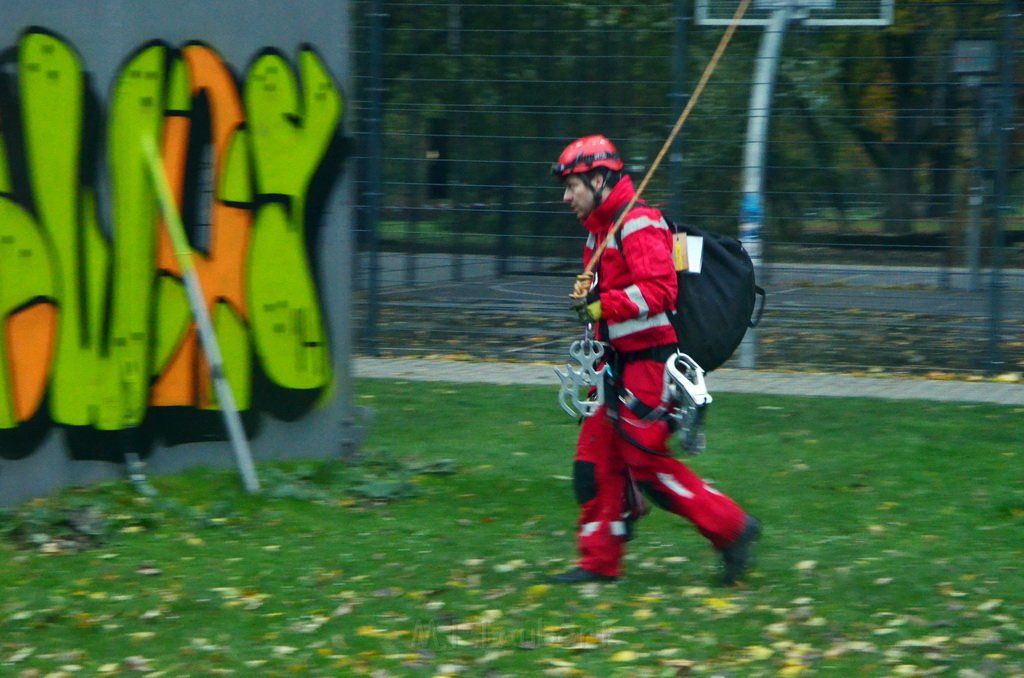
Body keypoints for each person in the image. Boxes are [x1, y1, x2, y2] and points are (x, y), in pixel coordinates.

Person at [549, 134, 761, 585]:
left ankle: (733, 529)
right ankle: (598, 562)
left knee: (644, 462)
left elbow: (660, 291)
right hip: (613, 363)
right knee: (592, 466)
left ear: (601, 179)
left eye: (574, 186)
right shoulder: (600, 234)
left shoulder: (638, 223)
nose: (567, 197)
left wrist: (603, 305)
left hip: (650, 365)